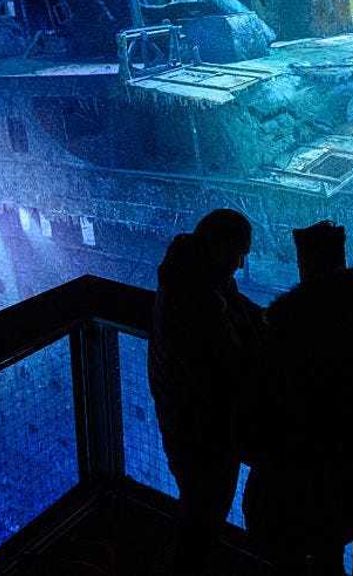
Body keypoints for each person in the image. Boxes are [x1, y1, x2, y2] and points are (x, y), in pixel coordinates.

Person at [243, 229, 353, 576]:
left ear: (305, 265)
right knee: (332, 549)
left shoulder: (288, 327)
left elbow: (267, 393)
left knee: (290, 555)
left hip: (293, 474)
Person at [147, 208, 261, 574]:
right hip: (200, 430)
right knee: (204, 516)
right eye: (238, 252)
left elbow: (238, 312)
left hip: (191, 424)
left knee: (200, 512)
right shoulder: (197, 294)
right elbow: (227, 358)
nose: (241, 264)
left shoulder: (198, 277)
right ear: (218, 246)